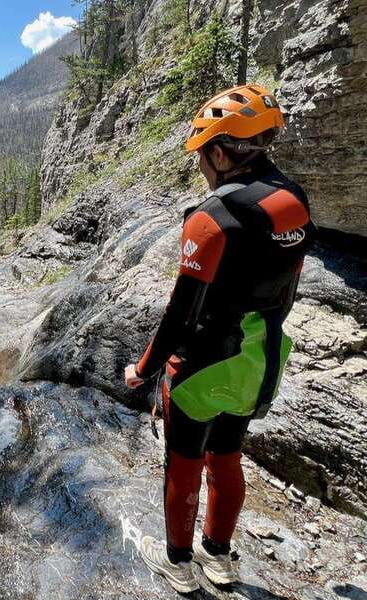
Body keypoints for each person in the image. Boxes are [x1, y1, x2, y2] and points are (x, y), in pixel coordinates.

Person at [124, 84, 316, 593]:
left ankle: (178, 564)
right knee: (228, 455)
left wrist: (143, 369)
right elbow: (289, 286)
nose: (200, 166)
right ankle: (219, 556)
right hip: (260, 357)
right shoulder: (293, 201)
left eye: (201, 154)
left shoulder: (211, 218)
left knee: (184, 462)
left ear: (218, 150)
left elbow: (180, 312)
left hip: (203, 365)